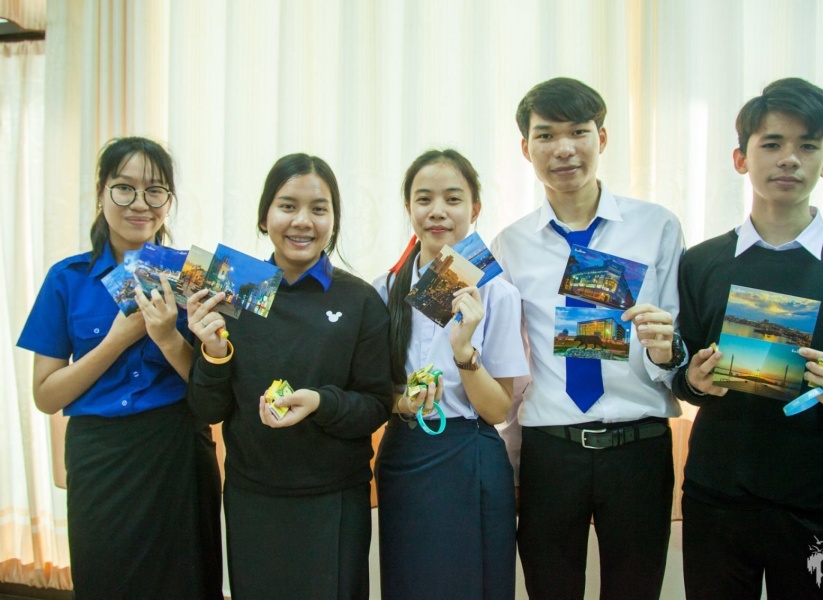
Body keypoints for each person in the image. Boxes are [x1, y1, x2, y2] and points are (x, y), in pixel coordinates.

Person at [674, 77, 823, 598]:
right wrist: (695, 381)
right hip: (717, 499)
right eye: (772, 144)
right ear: (741, 159)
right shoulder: (702, 262)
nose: (789, 159)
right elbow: (679, 374)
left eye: (807, 146)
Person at [492, 77, 686, 599]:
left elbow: (679, 342)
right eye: (546, 135)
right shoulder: (510, 244)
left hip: (639, 447)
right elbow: (507, 358)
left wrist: (668, 350)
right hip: (551, 453)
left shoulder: (657, 227)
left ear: (601, 138)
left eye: (578, 131)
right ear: (525, 147)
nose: (564, 149)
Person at [16, 137, 223, 599]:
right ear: (101, 193)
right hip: (100, 457)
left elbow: (213, 392)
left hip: (176, 448)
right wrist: (116, 341)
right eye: (124, 188)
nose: (140, 203)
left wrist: (168, 337)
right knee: (105, 580)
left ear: (169, 201)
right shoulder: (67, 278)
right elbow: (46, 395)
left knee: (188, 583)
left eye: (155, 190)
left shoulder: (197, 275)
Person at [186, 153, 392, 599]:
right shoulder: (230, 291)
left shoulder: (359, 300)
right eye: (287, 206)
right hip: (252, 496)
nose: (302, 221)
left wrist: (321, 402)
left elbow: (376, 405)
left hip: (335, 497)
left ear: (333, 221)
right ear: (264, 217)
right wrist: (214, 352)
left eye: (318, 208)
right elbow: (208, 409)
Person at [372, 149, 528, 600]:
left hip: (470, 456)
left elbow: (497, 410)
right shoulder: (383, 291)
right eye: (424, 199)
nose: (437, 211)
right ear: (408, 208)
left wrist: (464, 354)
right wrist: (403, 403)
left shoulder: (497, 293)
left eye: (453, 199)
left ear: (475, 209)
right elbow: (373, 392)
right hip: (404, 454)